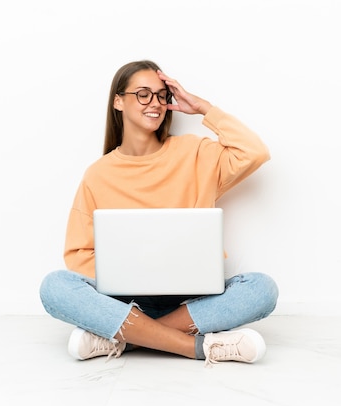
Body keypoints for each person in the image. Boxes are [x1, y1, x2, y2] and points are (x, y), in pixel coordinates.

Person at [39, 60, 278, 366]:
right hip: (124, 302)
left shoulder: (196, 153)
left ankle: (124, 338)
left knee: (261, 289)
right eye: (143, 94)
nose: (155, 103)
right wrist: (128, 273)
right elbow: (78, 254)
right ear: (118, 101)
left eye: (161, 95)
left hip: (189, 301)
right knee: (54, 287)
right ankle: (197, 347)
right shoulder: (98, 175)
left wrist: (204, 108)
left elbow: (254, 152)